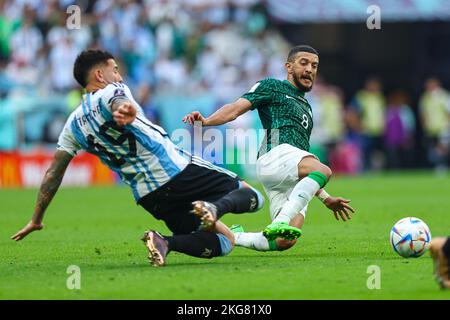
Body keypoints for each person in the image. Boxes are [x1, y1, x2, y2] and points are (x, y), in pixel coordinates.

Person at [10, 49, 265, 266]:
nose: (119, 76)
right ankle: (214, 207)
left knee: (224, 241)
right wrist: (125, 111)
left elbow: (53, 173)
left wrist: (36, 218)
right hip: (176, 172)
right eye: (115, 69)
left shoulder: (72, 126)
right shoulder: (112, 90)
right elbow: (119, 101)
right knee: (254, 197)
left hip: (148, 196)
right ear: (100, 75)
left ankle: (164, 242)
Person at [182, 45, 354, 252]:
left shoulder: (307, 107)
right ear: (289, 67)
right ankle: (279, 221)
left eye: (314, 66)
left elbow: (307, 170)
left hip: (290, 172)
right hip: (275, 156)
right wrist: (207, 121)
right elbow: (236, 108)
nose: (310, 69)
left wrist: (326, 199)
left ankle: (231, 235)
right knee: (324, 170)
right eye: (304, 63)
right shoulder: (271, 86)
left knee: (284, 241)